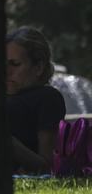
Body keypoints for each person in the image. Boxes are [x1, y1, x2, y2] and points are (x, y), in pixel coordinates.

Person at [5, 26, 66, 173]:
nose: (6, 71)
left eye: (15, 64)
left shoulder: (48, 97)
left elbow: (47, 166)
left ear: (38, 67)